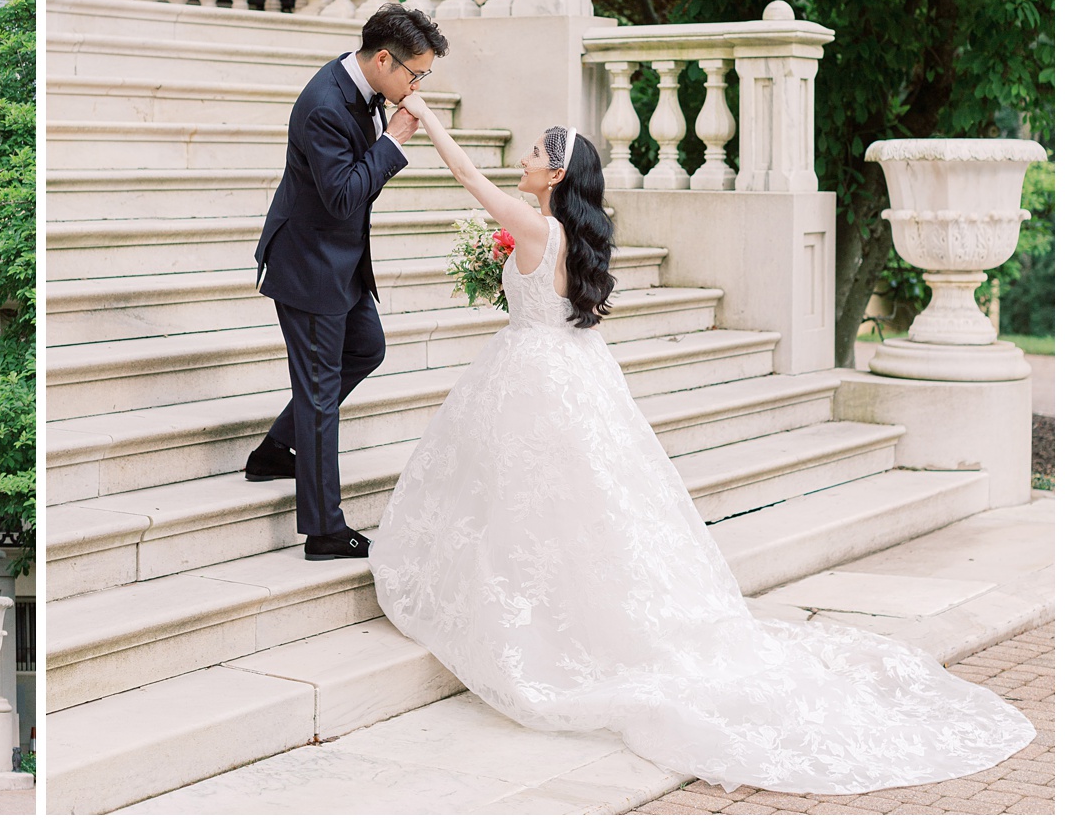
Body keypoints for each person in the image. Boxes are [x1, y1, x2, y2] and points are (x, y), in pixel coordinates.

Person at [372, 92, 1033, 792]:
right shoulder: (569, 235)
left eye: (538, 153)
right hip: (569, 371)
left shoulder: (539, 233)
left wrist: (425, 117)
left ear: (558, 176)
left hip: (534, 371)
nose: (527, 159)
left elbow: (470, 180)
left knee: (536, 495)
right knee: (566, 500)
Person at [246, 3, 445, 561]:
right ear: (384, 59)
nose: (418, 84)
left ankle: (275, 450)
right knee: (320, 397)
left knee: (367, 348)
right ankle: (324, 531)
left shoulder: (362, 86)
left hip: (341, 260)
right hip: (308, 265)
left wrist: (387, 130)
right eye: (416, 73)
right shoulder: (324, 106)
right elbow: (342, 196)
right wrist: (395, 140)